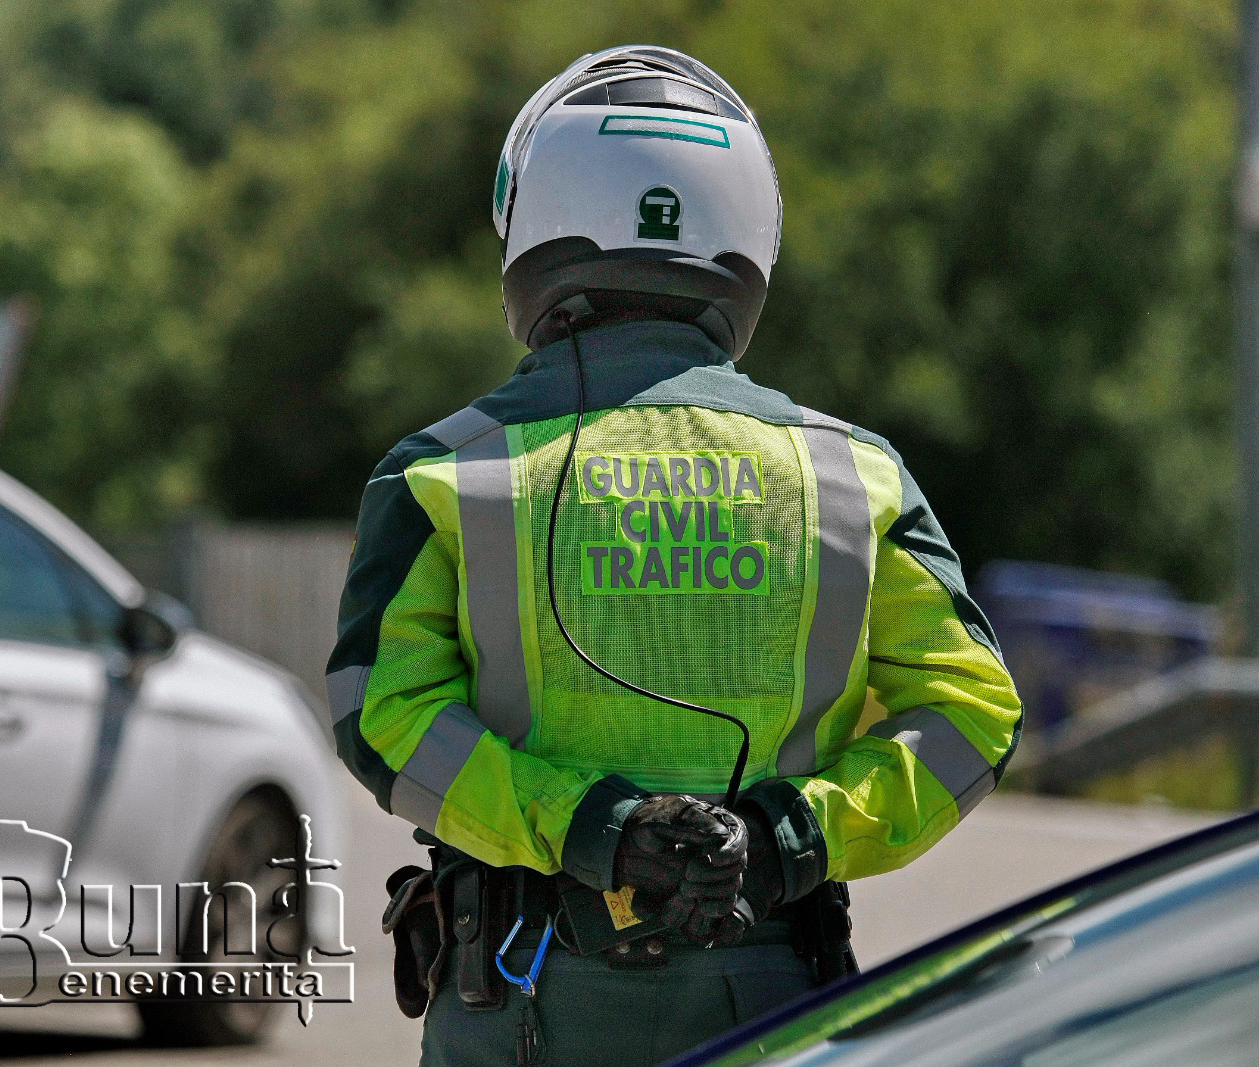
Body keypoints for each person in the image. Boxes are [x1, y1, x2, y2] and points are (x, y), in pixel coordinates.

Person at [328, 45, 1022, 1067]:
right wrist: (790, 836)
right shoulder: (852, 476)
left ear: (529, 225)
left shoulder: (445, 472)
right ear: (750, 237)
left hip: (520, 993)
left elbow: (380, 718)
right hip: (772, 989)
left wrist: (597, 828)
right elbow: (973, 716)